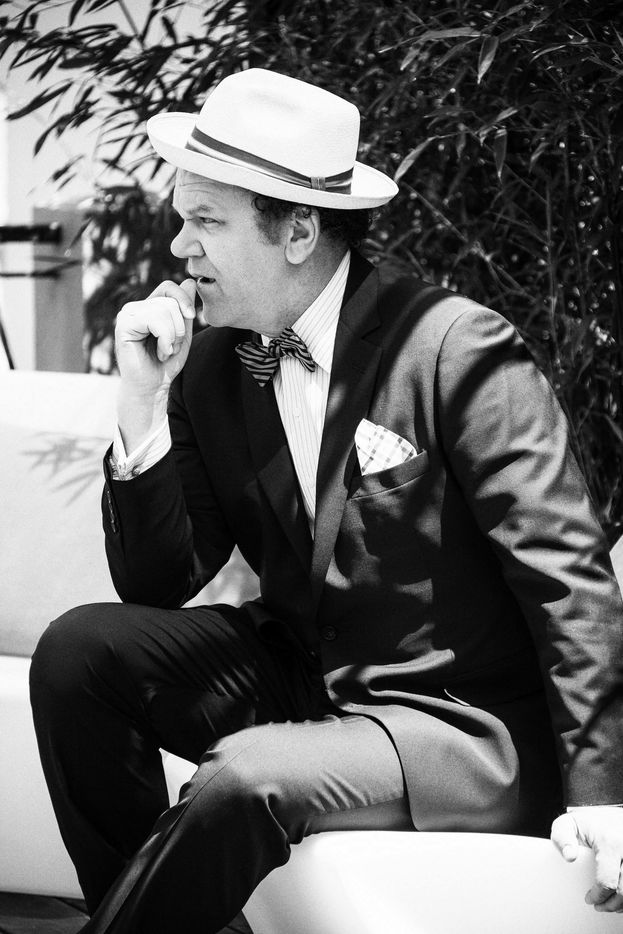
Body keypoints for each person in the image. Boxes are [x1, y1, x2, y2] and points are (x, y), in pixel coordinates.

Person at [30, 68, 623, 932]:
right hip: (306, 677)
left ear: (299, 231)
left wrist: (605, 797)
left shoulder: (455, 346)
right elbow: (157, 581)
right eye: (181, 219)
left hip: (457, 725)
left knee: (246, 775)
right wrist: (142, 403)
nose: (180, 248)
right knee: (80, 653)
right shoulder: (212, 364)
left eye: (206, 221)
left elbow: (566, 576)